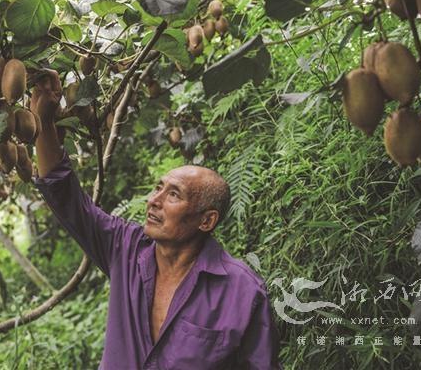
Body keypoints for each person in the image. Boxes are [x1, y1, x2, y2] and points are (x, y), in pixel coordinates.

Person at [30, 69, 281, 370]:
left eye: (174, 195)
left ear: (206, 220)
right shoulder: (125, 249)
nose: (154, 200)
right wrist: (43, 121)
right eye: (157, 188)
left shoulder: (243, 292)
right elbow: (64, 195)